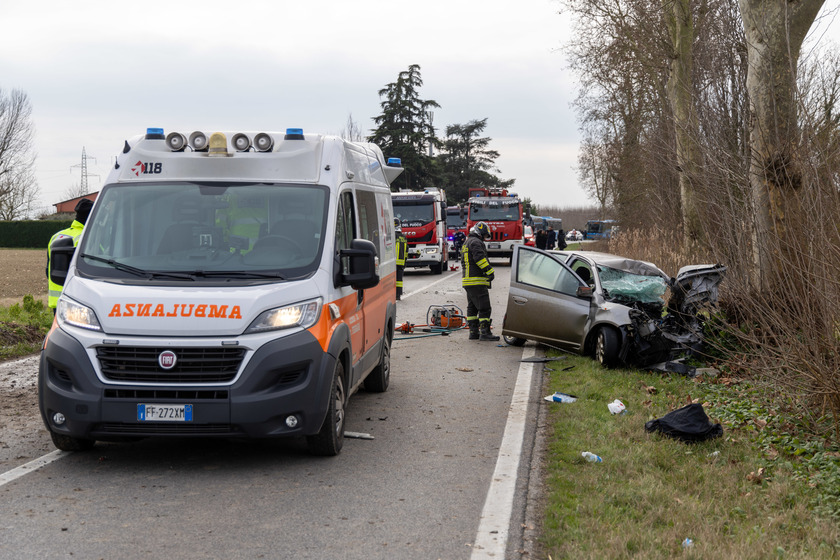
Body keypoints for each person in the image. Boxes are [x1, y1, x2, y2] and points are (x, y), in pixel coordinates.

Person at [46, 198, 93, 312]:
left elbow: (48, 269)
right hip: (76, 301)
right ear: (92, 216)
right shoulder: (88, 239)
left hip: (56, 301)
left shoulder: (57, 236)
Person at [461, 221, 499, 341]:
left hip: (467, 281)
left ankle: (473, 332)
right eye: (485, 236)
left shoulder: (467, 242)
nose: (485, 239)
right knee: (484, 308)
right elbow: (479, 258)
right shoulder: (476, 242)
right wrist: (489, 271)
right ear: (480, 233)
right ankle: (485, 333)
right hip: (477, 280)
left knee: (472, 308)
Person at [394, 218, 407, 300]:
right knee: (399, 280)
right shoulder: (404, 237)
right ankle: (398, 295)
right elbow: (406, 250)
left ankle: (393, 294)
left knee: (392, 280)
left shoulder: (392, 236)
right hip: (401, 262)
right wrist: (405, 262)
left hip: (393, 262)